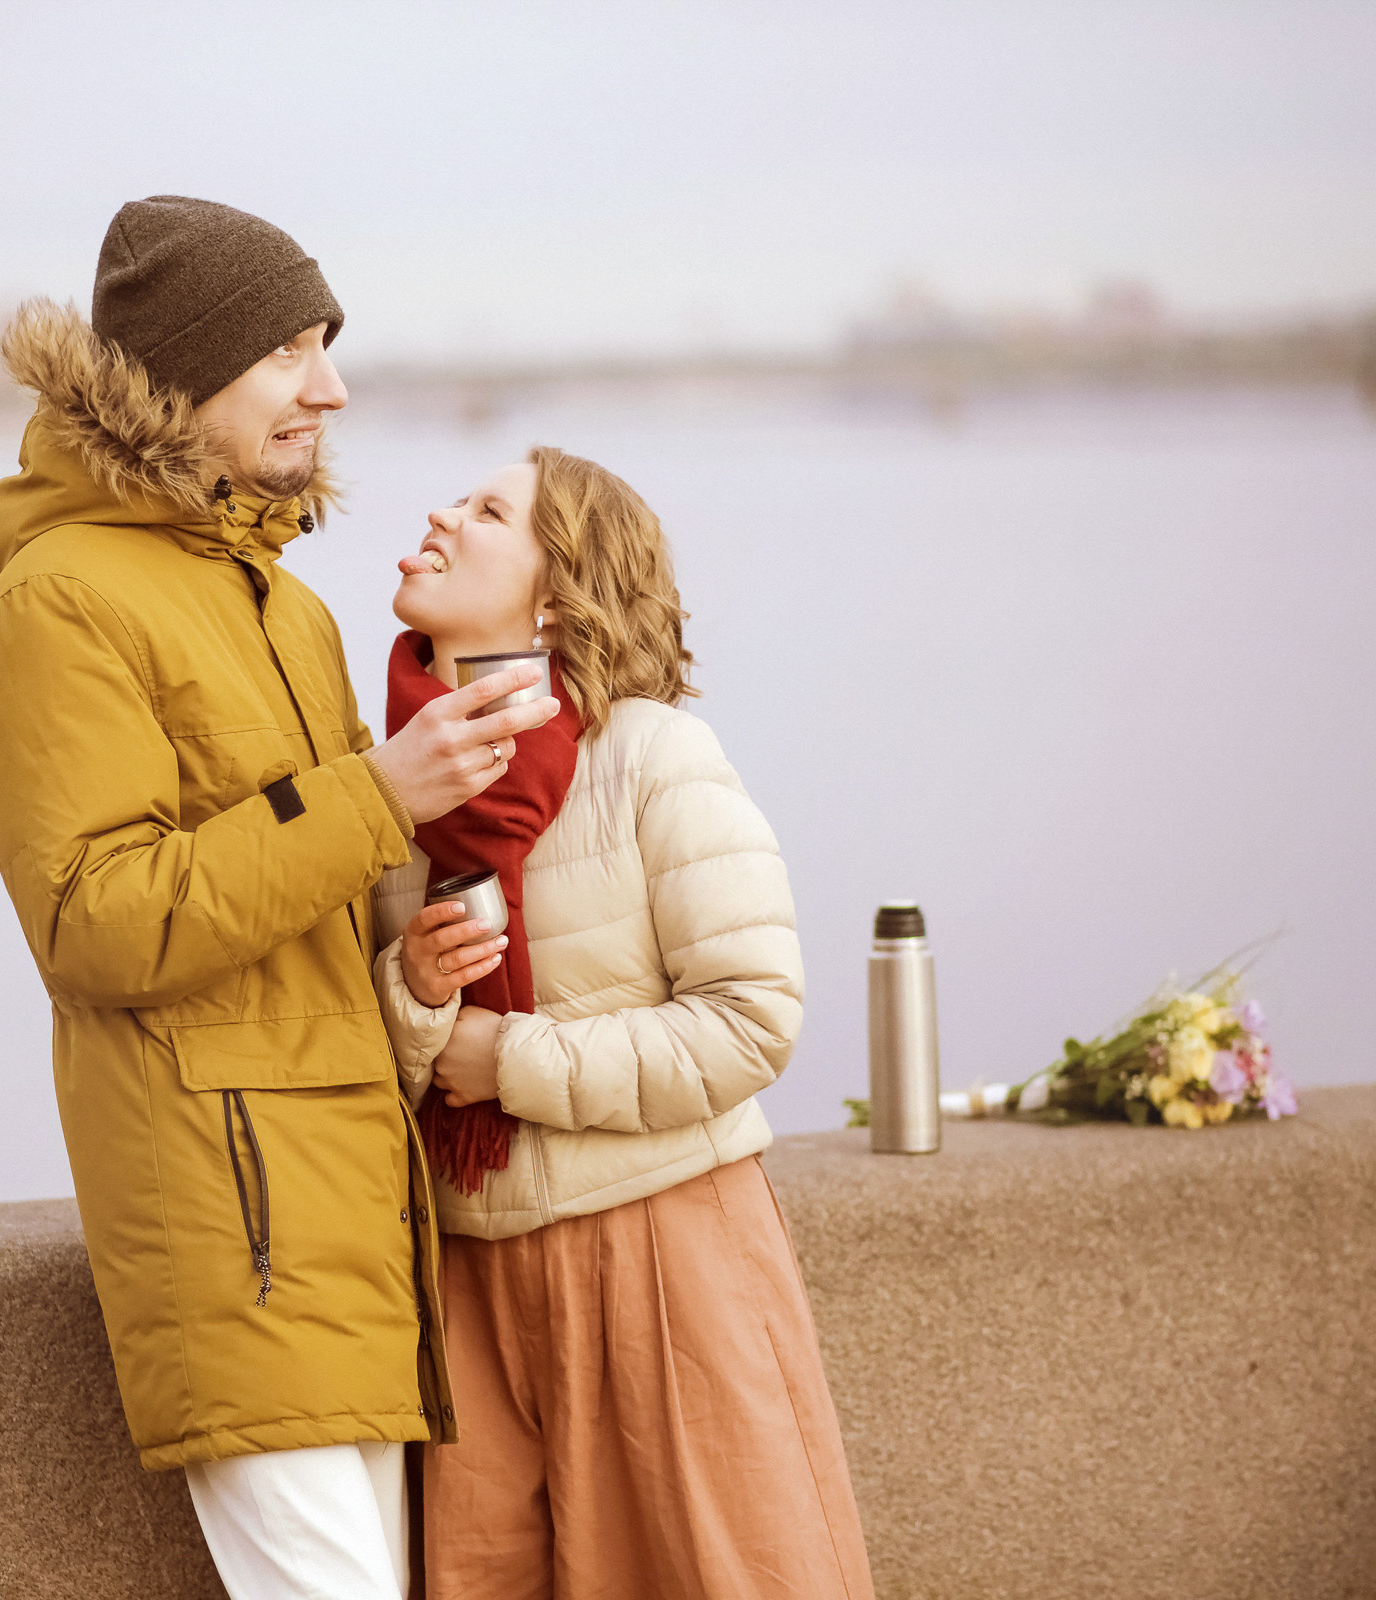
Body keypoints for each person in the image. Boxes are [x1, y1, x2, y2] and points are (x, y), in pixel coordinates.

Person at [0, 196, 560, 1600]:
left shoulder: (290, 610)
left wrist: (413, 957)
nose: (331, 389)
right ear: (182, 371)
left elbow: (304, 907)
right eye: (290, 352)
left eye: (327, 347)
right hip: (234, 1231)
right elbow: (92, 923)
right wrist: (378, 798)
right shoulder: (58, 604)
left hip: (356, 1218)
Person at [371, 448, 879, 1599]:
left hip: (667, 1263)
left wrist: (512, 1059)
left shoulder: (653, 755)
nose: (441, 512)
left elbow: (752, 1021)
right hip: (469, 1284)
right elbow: (367, 1056)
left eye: (489, 508)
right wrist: (414, 994)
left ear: (552, 596)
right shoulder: (388, 791)